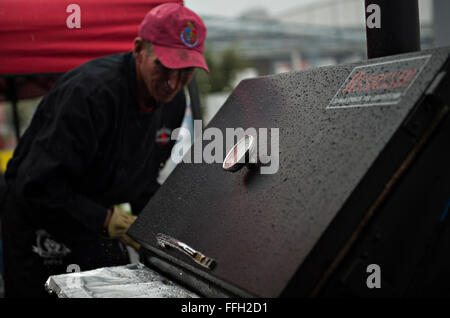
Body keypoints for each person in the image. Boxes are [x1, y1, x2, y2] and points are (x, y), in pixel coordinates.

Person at [0, 3, 209, 298]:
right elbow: (36, 185)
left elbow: (144, 181)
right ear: (139, 50)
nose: (173, 82)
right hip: (37, 222)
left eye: (186, 71)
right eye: (164, 66)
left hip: (91, 217)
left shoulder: (173, 103)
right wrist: (107, 220)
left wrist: (172, 227)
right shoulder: (90, 94)